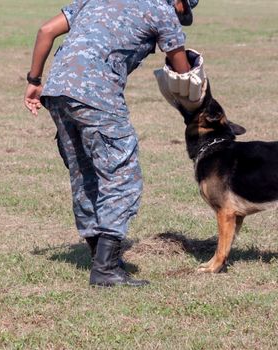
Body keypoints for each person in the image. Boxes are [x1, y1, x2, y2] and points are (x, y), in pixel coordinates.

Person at [24, 0, 200, 287]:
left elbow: (46, 31)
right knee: (121, 174)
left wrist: (34, 79)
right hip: (96, 92)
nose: (180, 16)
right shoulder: (162, 10)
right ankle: (105, 269)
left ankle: (100, 256)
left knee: (84, 172)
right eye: (184, 10)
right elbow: (183, 74)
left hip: (57, 90)